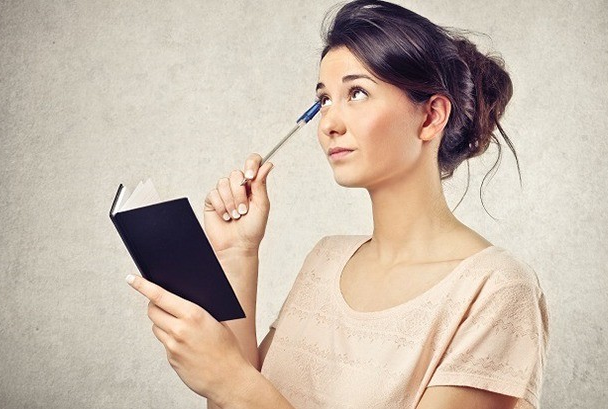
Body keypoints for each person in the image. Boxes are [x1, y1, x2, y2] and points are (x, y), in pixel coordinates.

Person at [126, 1, 549, 408]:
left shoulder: (495, 290)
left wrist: (230, 380)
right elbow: (233, 404)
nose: (329, 122)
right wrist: (238, 254)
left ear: (430, 117)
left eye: (358, 93)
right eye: (324, 99)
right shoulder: (324, 260)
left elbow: (240, 392)